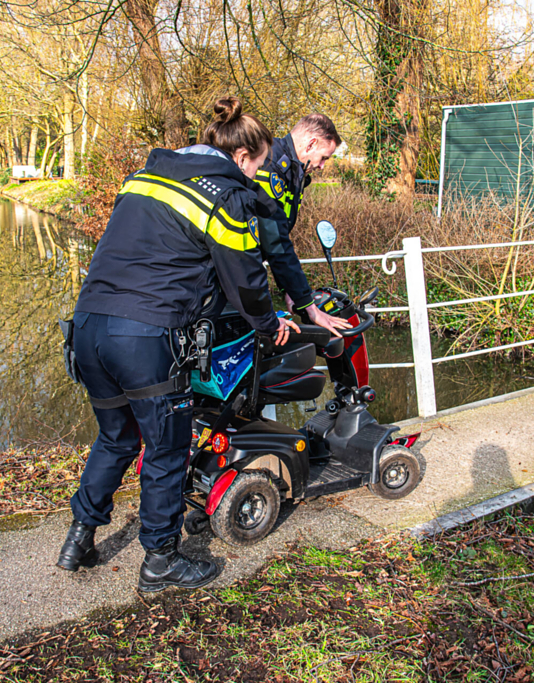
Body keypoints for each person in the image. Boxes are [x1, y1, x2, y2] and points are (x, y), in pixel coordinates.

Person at [57, 97, 300, 592]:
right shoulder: (223, 194)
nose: (258, 176)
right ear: (241, 157)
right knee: (167, 448)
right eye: (258, 165)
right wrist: (267, 322)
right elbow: (246, 277)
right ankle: (161, 561)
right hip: (145, 336)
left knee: (115, 438)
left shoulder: (147, 177)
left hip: (88, 326)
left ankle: (78, 538)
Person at [255, 114, 351, 336]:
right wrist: (309, 307)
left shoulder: (289, 171)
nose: (323, 166)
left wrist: (293, 292)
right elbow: (275, 243)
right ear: (311, 144)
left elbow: (277, 241)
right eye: (324, 157)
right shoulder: (270, 168)